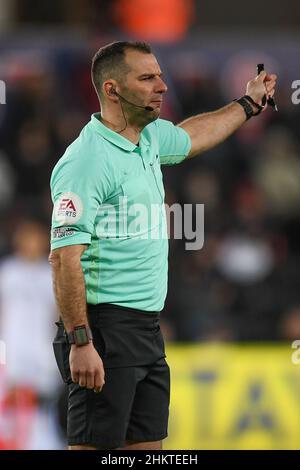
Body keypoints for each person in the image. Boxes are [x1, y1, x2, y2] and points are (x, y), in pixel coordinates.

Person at [49, 41, 277, 450]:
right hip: (104, 330)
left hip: (146, 329)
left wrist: (248, 103)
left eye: (160, 74)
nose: (163, 85)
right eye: (148, 77)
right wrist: (81, 342)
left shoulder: (149, 137)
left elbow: (193, 135)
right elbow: (64, 259)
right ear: (113, 89)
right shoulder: (86, 161)